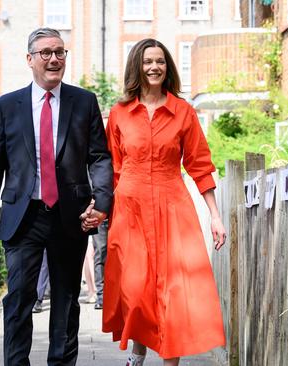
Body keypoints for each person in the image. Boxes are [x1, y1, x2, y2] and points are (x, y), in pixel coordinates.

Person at [82, 38, 227, 366]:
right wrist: (101, 206)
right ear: (137, 66)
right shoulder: (119, 114)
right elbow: (111, 169)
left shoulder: (183, 112)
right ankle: (139, 346)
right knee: (135, 289)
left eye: (160, 61)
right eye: (148, 61)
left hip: (173, 208)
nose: (154, 67)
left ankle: (169, 360)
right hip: (130, 211)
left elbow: (200, 165)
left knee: (173, 291)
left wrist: (215, 216)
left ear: (168, 67)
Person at [0, 27, 113, 366]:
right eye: (46, 53)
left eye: (60, 52)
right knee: (20, 297)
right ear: (30, 59)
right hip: (23, 216)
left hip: (71, 216)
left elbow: (100, 156)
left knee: (66, 299)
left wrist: (103, 203)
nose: (54, 59)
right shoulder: (8, 105)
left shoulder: (84, 101)